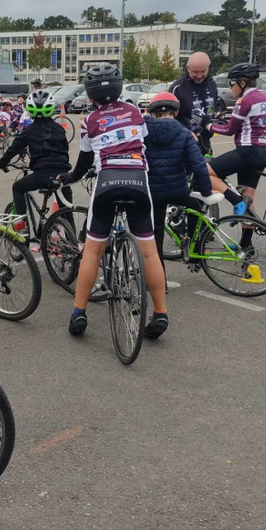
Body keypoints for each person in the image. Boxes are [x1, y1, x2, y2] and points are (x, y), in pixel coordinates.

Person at [59, 63, 169, 340]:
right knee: (149, 253)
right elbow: (143, 145)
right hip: (138, 182)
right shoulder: (135, 112)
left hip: (107, 182)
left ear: (90, 93)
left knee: (93, 252)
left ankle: (78, 312)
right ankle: (160, 312)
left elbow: (83, 164)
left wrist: (69, 177)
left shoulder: (89, 122)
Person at [143, 92, 213, 274]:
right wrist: (206, 193)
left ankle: (159, 279)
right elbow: (198, 165)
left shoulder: (142, 133)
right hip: (178, 190)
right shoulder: (184, 133)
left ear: (152, 113)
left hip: (153, 192)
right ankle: (194, 249)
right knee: (197, 210)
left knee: (156, 235)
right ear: (175, 113)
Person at [0, 90, 72, 235]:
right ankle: (74, 243)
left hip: (42, 176)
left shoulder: (28, 130)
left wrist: (2, 163)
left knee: (18, 187)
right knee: (67, 211)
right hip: (62, 175)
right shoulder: (59, 128)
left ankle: (22, 228)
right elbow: (65, 150)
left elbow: (13, 149)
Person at [205, 62, 266, 216]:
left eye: (232, 83)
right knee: (248, 197)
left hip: (247, 152)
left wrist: (207, 126)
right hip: (261, 152)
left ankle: (236, 201)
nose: (230, 87)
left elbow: (229, 130)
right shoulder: (264, 98)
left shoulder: (245, 100)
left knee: (203, 172)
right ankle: (246, 241)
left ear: (242, 83)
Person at [170, 52, 219, 155]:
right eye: (195, 72)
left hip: (206, 142)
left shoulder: (212, 84)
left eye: (203, 71)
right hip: (184, 142)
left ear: (208, 68)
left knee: (206, 170)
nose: (199, 75)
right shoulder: (177, 88)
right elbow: (169, 119)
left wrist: (217, 113)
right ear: (188, 68)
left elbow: (215, 104)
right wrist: (185, 132)